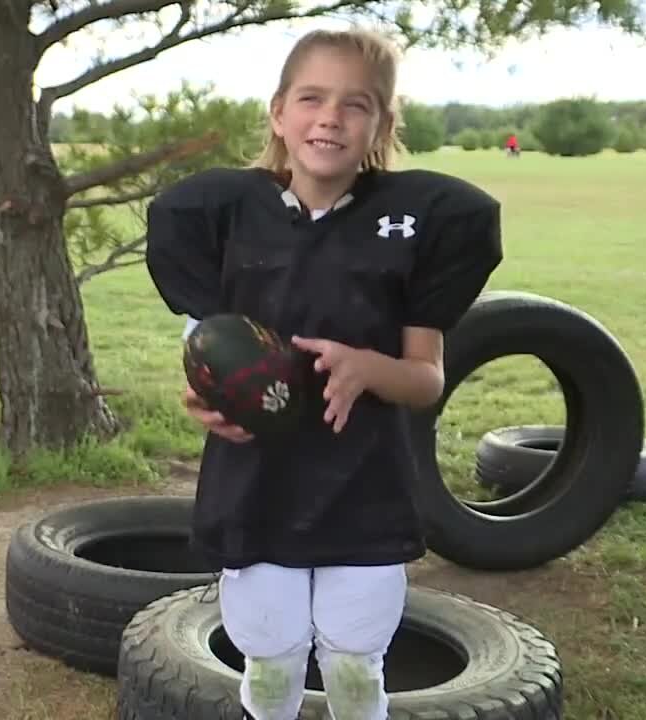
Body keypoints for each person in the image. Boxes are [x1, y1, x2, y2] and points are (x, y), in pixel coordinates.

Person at [143, 27, 503, 720]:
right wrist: (207, 398)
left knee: (355, 659)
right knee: (270, 655)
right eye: (312, 97)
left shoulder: (413, 221)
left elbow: (425, 379)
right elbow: (210, 354)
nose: (330, 116)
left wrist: (370, 368)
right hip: (257, 483)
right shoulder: (226, 216)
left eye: (355, 103)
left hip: (364, 479)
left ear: (382, 124)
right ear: (279, 113)